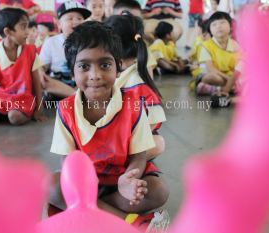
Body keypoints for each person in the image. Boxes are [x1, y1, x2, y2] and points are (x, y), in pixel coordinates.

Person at [50, 21, 169, 232]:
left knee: (158, 190)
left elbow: (140, 155)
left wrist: (129, 178)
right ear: (72, 71)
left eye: (104, 65)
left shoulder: (133, 104)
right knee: (50, 187)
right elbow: (68, 161)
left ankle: (86, 212)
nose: (95, 75)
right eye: (84, 66)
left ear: (118, 67)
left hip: (121, 182)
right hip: (86, 184)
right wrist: (79, 186)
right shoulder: (65, 110)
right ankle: (129, 221)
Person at [105, 13, 166, 160]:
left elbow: (151, 124)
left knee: (157, 143)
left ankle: (112, 160)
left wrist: (123, 139)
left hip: (126, 139)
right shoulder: (106, 73)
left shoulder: (137, 83)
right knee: (158, 143)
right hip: (105, 135)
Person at [0, 8, 45, 125]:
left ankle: (19, 113)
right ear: (8, 32)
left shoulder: (30, 51)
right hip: (1, 99)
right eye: (23, 27)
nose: (27, 32)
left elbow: (36, 82)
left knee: (14, 117)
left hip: (23, 99)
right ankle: (2, 114)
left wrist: (38, 108)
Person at [39, 0, 91, 98]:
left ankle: (75, 96)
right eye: (70, 18)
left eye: (79, 18)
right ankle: (75, 97)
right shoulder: (51, 42)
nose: (75, 21)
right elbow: (42, 66)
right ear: (59, 24)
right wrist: (40, 72)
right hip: (57, 85)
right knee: (42, 78)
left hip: (81, 83)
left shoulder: (89, 42)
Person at [196, 11, 240, 107]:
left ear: (231, 26)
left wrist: (233, 78)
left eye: (222, 23)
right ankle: (230, 88)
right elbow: (211, 68)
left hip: (230, 76)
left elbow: (239, 67)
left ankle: (215, 89)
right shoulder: (206, 46)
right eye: (214, 25)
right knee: (212, 77)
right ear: (210, 31)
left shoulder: (235, 45)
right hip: (213, 75)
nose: (218, 26)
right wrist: (229, 79)